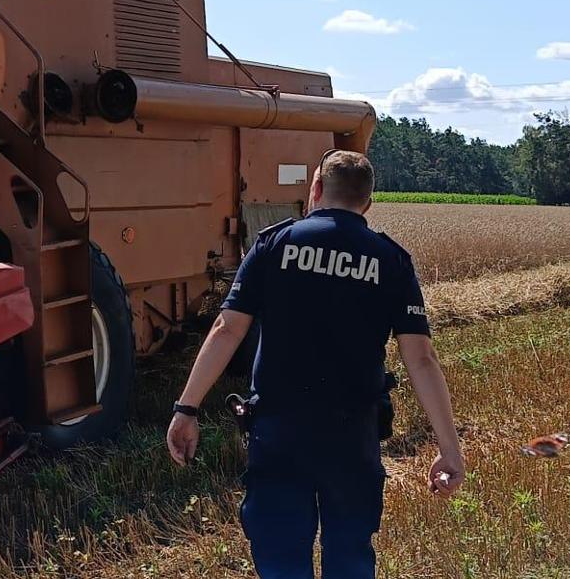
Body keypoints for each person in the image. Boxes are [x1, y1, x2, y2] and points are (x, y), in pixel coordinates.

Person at [166, 150, 466, 579]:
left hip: (279, 434)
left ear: (316, 189)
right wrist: (450, 450)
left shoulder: (273, 245)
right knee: (349, 556)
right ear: (368, 201)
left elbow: (226, 330)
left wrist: (187, 408)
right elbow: (420, 357)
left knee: (282, 559)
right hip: (353, 438)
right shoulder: (390, 260)